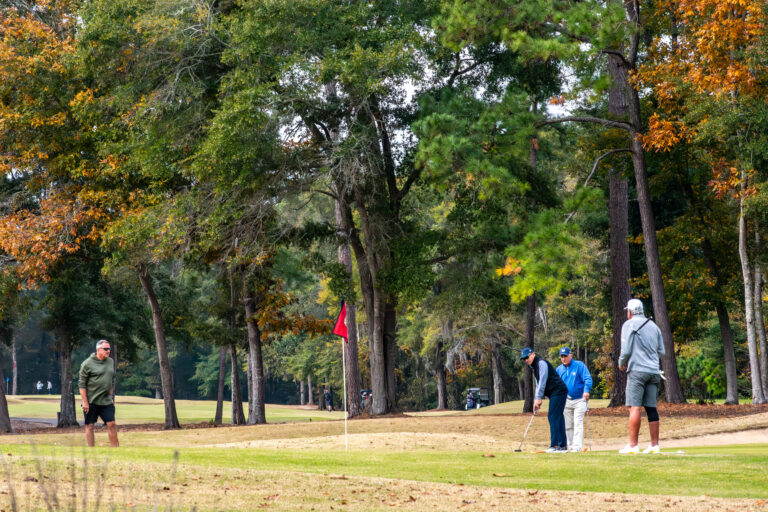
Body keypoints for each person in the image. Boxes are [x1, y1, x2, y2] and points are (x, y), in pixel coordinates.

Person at [618, 298, 665, 454]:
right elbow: (661, 352)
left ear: (630, 312)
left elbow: (625, 350)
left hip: (637, 371)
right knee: (651, 407)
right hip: (654, 371)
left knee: (634, 407)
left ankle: (633, 446)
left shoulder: (628, 324)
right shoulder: (654, 327)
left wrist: (621, 362)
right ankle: (654, 445)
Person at [520, 347, 568, 453]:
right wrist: (536, 400)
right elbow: (538, 384)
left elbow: (542, 381)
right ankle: (562, 446)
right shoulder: (534, 367)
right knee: (558, 417)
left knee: (553, 416)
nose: (526, 360)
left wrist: (538, 398)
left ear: (533, 354)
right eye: (524, 359)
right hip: (555, 392)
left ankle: (555, 445)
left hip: (558, 390)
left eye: (526, 357)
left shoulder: (541, 363)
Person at [78, 339, 119, 447]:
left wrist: (111, 392)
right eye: (106, 349)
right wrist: (85, 402)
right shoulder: (87, 364)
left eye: (109, 349)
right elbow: (82, 384)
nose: (108, 351)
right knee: (90, 426)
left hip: (106, 400)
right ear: (98, 349)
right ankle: (91, 450)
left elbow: (113, 377)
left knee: (111, 423)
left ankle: (116, 450)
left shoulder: (110, 361)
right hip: (91, 400)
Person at [556, 347, 593, 452]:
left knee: (578, 422)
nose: (564, 358)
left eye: (565, 356)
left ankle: (577, 447)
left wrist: (586, 390)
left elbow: (587, 379)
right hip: (565, 400)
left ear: (570, 355)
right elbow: (556, 384)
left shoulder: (579, 365)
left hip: (580, 399)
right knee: (568, 425)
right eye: (562, 356)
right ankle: (571, 446)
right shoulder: (559, 369)